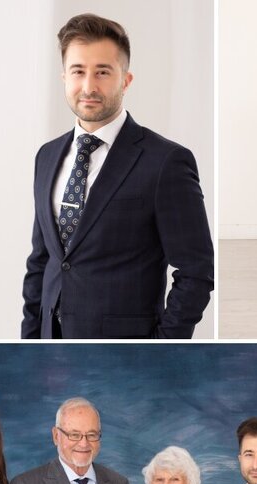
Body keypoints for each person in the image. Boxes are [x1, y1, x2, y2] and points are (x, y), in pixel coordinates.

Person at [21, 13, 213, 339]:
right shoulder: (47, 156)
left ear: (126, 79)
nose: (88, 86)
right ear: (64, 77)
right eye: (78, 71)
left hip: (127, 347)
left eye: (103, 72)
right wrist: (29, 341)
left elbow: (196, 270)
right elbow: (42, 261)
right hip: (50, 343)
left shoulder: (165, 162)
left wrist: (161, 347)